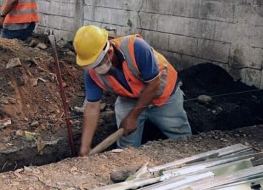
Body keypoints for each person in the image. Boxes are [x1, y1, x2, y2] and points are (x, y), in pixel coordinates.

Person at [73, 25, 191, 156]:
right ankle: (127, 161)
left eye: (97, 63)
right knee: (126, 147)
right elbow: (92, 108)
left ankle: (190, 160)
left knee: (181, 137)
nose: (95, 69)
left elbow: (153, 84)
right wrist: (85, 146)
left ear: (109, 52)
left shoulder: (136, 47)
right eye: (91, 65)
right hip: (131, 98)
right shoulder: (92, 73)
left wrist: (132, 117)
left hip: (163, 95)